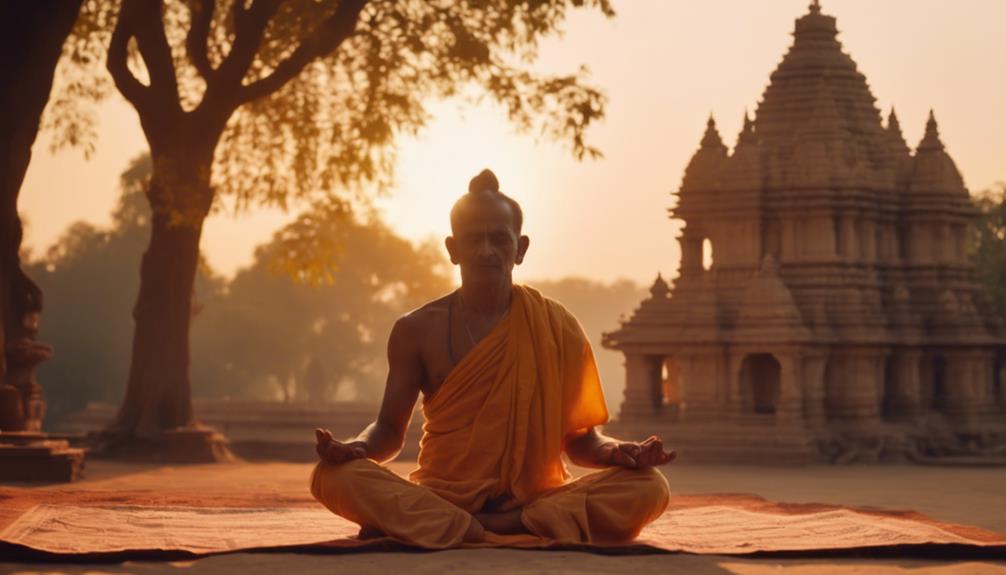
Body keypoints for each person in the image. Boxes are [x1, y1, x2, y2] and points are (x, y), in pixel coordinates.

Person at [310, 169, 674, 548]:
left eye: (499, 239)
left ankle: (464, 526)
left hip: (534, 499)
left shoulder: (558, 326)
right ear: (453, 249)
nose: (486, 250)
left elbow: (583, 441)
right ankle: (497, 525)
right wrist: (357, 448)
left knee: (649, 486)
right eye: (473, 239)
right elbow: (387, 431)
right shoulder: (415, 329)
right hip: (441, 495)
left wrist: (620, 452)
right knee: (330, 476)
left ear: (521, 248)